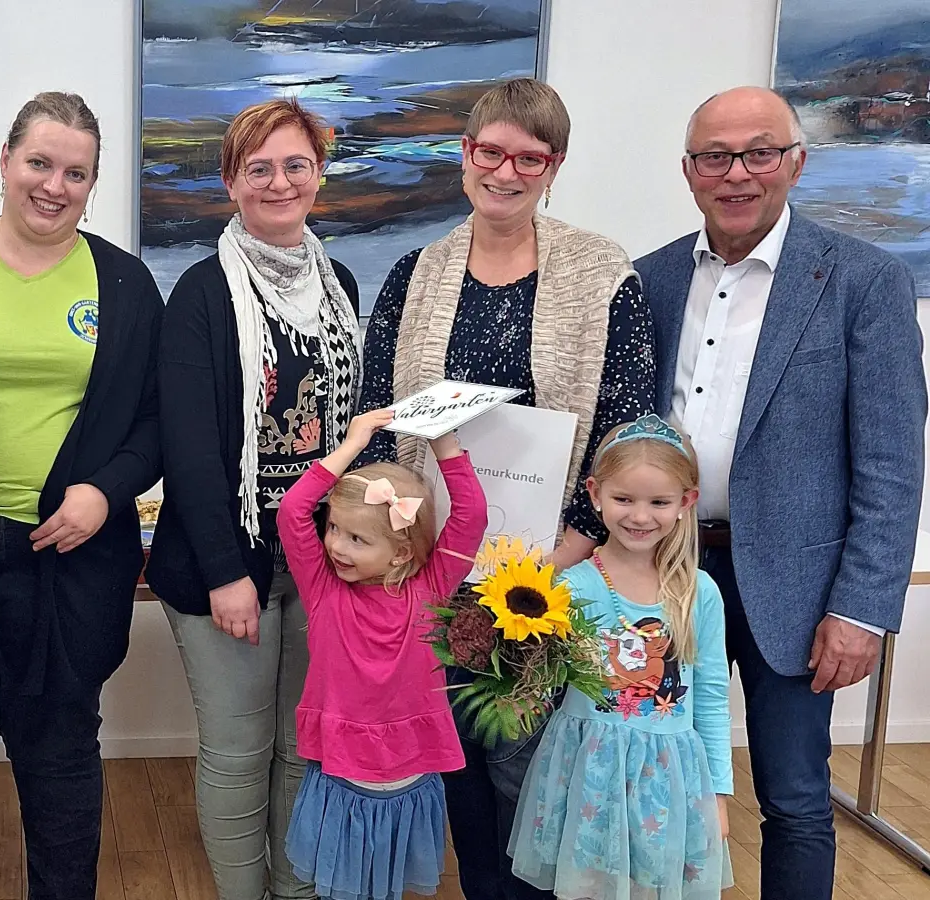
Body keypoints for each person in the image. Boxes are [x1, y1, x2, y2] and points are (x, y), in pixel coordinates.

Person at [354, 77, 655, 900]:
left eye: (531, 156)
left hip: (547, 576)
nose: (507, 171)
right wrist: (395, 538)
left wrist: (564, 552)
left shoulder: (602, 275)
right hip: (433, 570)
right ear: (466, 156)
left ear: (554, 166)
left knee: (530, 768)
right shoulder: (415, 274)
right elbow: (379, 418)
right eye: (492, 151)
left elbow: (627, 431)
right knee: (455, 760)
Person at [637, 85, 925, 900]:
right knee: (648, 782)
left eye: (758, 152)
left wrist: (862, 608)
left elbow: (893, 464)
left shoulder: (863, 281)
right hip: (663, 577)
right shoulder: (649, 278)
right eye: (714, 157)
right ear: (689, 172)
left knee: (795, 801)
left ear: (796, 163)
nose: (737, 173)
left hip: (799, 590)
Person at [0, 92, 162, 900]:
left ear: (93, 184)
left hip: (69, 562)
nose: (54, 186)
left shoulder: (122, 280)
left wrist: (107, 491)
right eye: (39, 163)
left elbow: (158, 421)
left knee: (60, 765)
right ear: (6, 162)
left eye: (76, 173)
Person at [146, 98, 362, 900]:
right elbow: (192, 450)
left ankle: (294, 892)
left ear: (319, 176)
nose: (279, 182)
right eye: (259, 168)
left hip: (324, 556)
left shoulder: (337, 283)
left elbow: (346, 433)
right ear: (231, 182)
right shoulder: (202, 293)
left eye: (295, 166)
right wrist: (225, 573)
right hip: (224, 564)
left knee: (305, 746)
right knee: (238, 750)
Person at [508, 415, 732, 899]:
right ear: (595, 494)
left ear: (686, 502)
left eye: (659, 502)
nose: (639, 516)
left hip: (668, 779)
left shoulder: (700, 593)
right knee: (586, 887)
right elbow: (544, 679)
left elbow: (711, 696)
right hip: (588, 774)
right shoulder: (570, 586)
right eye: (624, 499)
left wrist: (718, 793)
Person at [276, 408, 487, 899]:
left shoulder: (433, 588)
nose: (336, 547)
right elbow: (291, 512)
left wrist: (445, 444)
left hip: (407, 774)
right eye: (333, 530)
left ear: (400, 552)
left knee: (388, 882)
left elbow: (471, 515)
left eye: (356, 538)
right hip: (341, 775)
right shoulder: (324, 589)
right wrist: (352, 445)